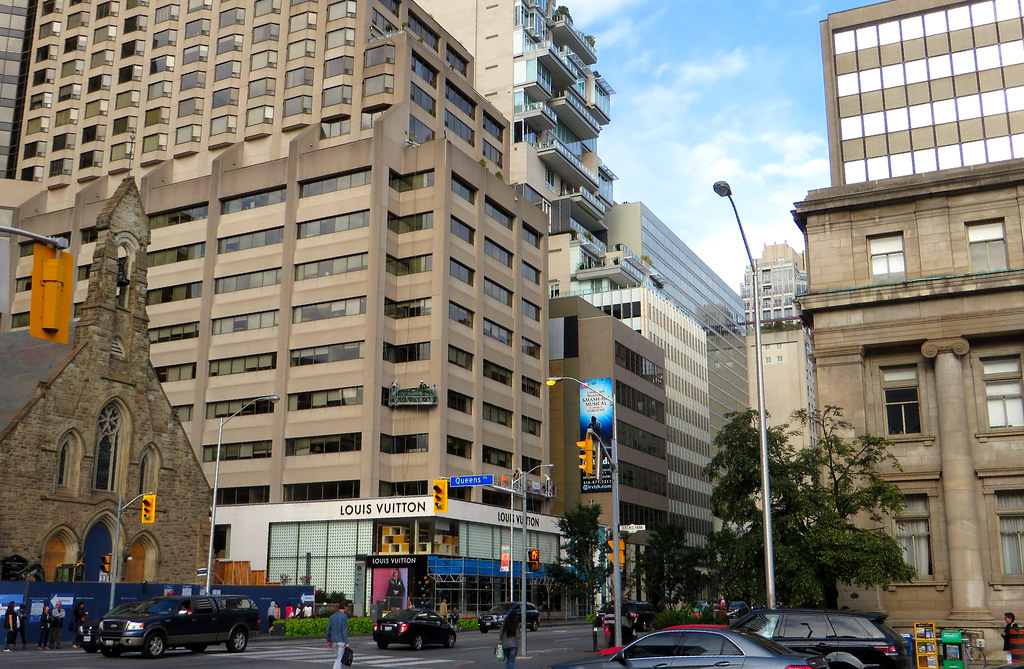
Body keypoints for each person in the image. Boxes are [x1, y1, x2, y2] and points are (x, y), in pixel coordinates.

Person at [326, 602, 350, 669]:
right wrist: (347, 642)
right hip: (341, 640)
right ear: (345, 607)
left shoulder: (332, 616)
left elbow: (328, 630)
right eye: (347, 607)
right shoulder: (344, 616)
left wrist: (329, 640)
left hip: (334, 640)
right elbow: (344, 630)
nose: (347, 609)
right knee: (340, 658)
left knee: (338, 657)